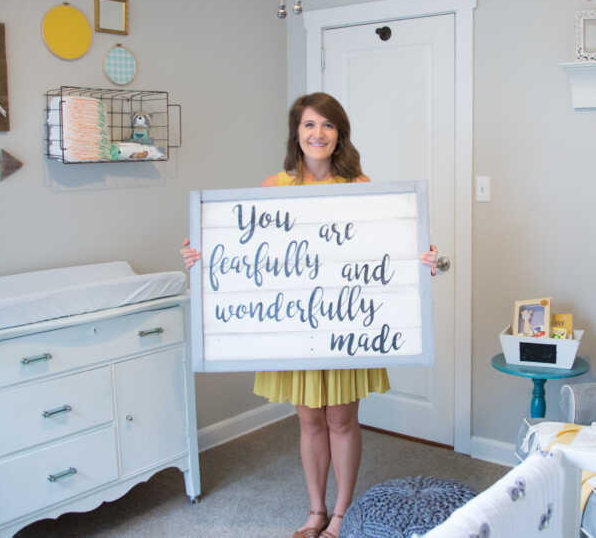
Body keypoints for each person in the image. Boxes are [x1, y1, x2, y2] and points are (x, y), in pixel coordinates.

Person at [181, 92, 438, 538]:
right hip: (296, 326)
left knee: (341, 418)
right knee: (309, 420)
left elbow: (386, 249)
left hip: (344, 323)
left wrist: (424, 260)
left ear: (340, 136)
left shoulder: (361, 186)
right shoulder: (273, 187)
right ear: (296, 133)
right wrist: (204, 256)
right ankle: (315, 510)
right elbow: (250, 253)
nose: (318, 134)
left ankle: (340, 513)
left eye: (328, 125)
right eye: (309, 125)